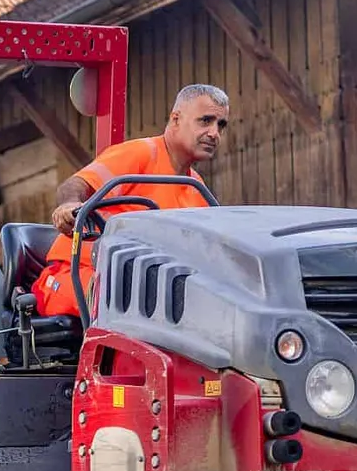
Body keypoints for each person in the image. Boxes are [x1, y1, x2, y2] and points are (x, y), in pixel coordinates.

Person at [32, 84, 230, 317]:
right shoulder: (140, 154)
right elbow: (77, 185)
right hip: (77, 277)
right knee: (125, 304)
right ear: (176, 119)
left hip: (143, 291)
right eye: (205, 121)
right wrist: (69, 206)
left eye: (221, 125)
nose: (214, 133)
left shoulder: (196, 188)